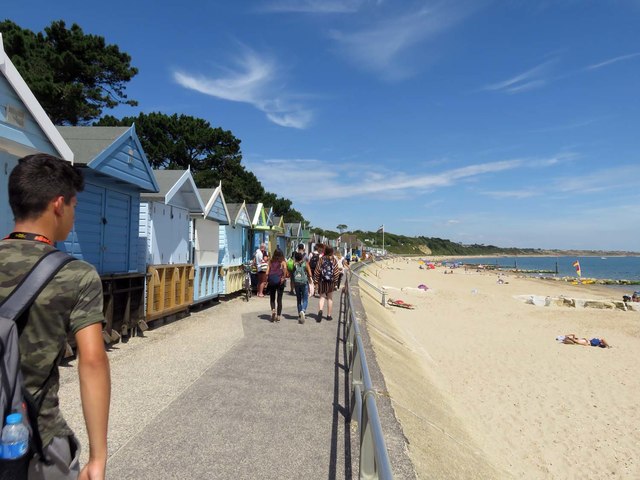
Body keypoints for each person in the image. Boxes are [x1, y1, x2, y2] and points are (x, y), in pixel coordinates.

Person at [0, 154, 111, 479]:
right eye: (75, 206)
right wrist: (97, 455)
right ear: (59, 205)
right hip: (35, 438)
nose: (74, 216)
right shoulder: (76, 275)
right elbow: (92, 361)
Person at [313, 246, 340, 322]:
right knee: (330, 298)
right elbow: (336, 272)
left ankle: (320, 310)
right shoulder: (334, 260)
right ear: (332, 252)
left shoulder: (321, 259)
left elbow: (317, 271)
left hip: (322, 281)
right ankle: (329, 315)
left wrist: (316, 282)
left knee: (322, 297)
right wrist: (335, 281)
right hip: (331, 282)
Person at [265, 248, 288, 322]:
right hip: (280, 281)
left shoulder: (271, 261)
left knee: (272, 298)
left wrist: (267, 281)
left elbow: (267, 272)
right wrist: (283, 278)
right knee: (279, 299)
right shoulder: (283, 262)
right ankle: (278, 316)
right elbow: (285, 272)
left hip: (272, 281)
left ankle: (273, 310)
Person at [292, 251, 313, 324]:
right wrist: (310, 279)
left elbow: (293, 273)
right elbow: (310, 274)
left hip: (297, 283)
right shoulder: (305, 263)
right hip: (304, 283)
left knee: (298, 299)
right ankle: (303, 310)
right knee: (305, 299)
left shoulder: (294, 264)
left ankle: (299, 314)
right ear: (301, 257)